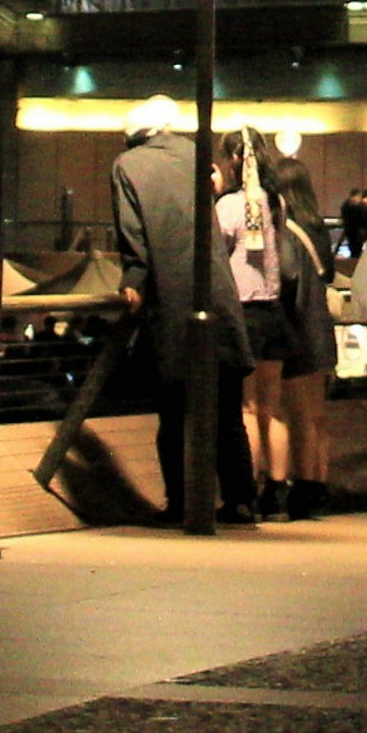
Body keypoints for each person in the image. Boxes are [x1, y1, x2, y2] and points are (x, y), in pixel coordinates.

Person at [108, 115, 250, 522]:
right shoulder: (197, 155)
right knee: (226, 411)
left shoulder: (127, 165)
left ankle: (182, 501)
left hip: (171, 303)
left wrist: (133, 279)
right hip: (219, 297)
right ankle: (240, 499)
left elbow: (132, 235)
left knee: (173, 413)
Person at [223, 133, 339, 518]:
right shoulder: (278, 204)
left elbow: (216, 253)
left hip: (247, 312)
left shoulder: (230, 205)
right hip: (275, 316)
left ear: (235, 159)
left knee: (248, 410)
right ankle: (278, 491)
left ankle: (249, 493)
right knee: (273, 411)